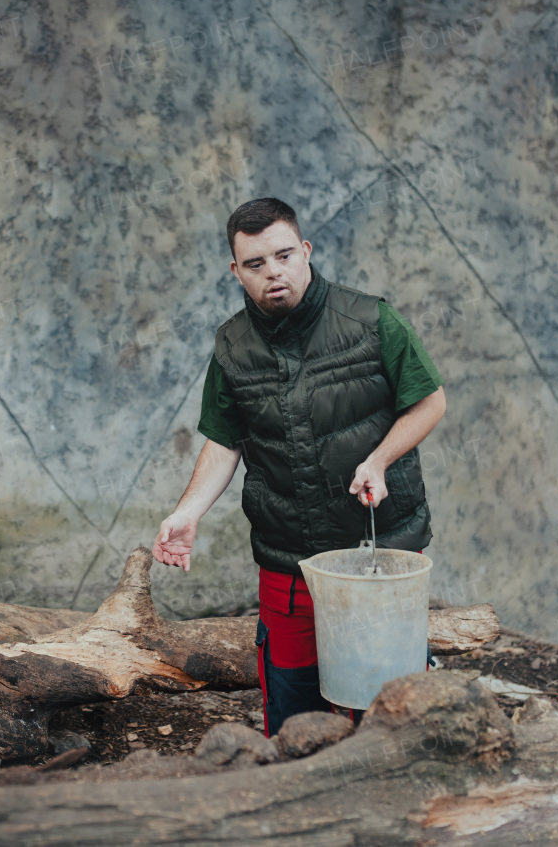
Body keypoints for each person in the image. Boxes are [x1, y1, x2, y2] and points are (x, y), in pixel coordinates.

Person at [151, 197, 446, 736]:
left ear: (305, 251)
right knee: (291, 716)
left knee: (388, 710)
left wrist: (380, 460)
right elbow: (224, 443)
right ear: (235, 271)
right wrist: (187, 512)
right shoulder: (232, 347)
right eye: (256, 264)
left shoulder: (372, 320)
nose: (274, 273)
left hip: (379, 554)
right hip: (287, 558)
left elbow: (429, 401)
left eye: (283, 256)